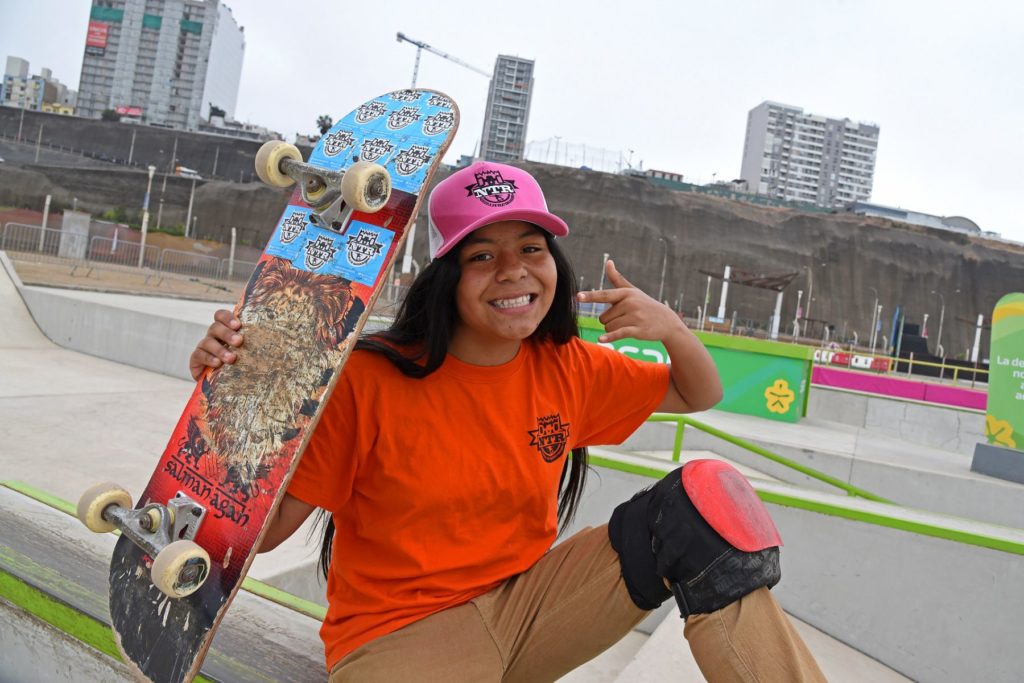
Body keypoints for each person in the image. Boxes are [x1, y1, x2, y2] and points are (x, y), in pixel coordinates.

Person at [191, 162, 825, 682]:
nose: (513, 270)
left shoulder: (566, 366)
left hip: (531, 611)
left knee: (701, 511)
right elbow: (258, 533)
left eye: (530, 248)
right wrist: (233, 393)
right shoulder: (369, 380)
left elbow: (697, 392)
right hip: (400, 638)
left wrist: (671, 329)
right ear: (446, 276)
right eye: (482, 255)